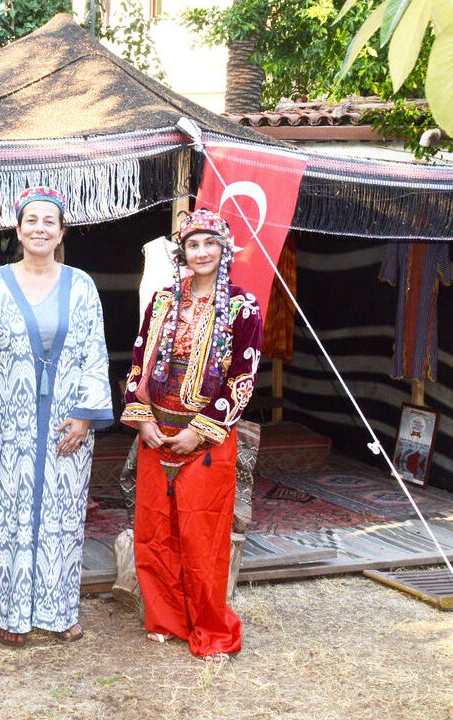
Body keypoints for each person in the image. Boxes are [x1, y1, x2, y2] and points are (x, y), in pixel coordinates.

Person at [0, 187, 113, 647]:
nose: (40, 228)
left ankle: (59, 610)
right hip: (9, 424)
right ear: (19, 229)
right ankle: (9, 613)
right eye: (32, 220)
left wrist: (85, 416)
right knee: (8, 514)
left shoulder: (81, 286)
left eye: (50, 221)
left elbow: (94, 352)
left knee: (63, 517)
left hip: (68, 425)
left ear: (61, 232)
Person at [121, 209, 264, 659]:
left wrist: (200, 432)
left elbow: (242, 379)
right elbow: (138, 362)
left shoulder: (243, 306)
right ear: (182, 252)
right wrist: (143, 420)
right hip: (156, 431)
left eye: (210, 244)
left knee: (203, 537)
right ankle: (165, 617)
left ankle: (209, 627)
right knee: (155, 532)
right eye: (193, 245)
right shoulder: (163, 300)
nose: (201, 253)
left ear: (225, 250)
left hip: (206, 440)